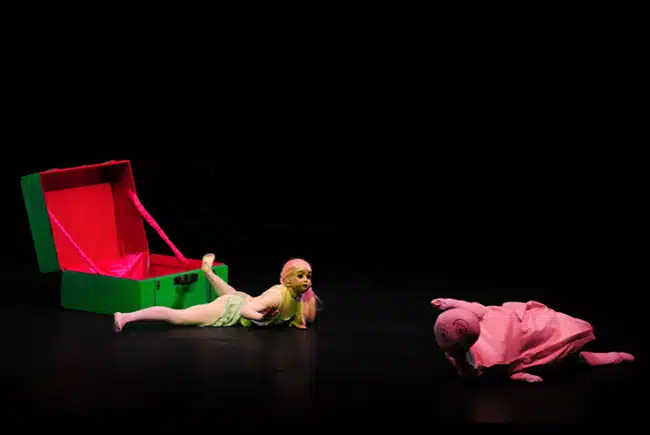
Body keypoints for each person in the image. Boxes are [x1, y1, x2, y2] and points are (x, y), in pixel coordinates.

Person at [431, 297, 634, 383]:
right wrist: (519, 374)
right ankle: (606, 357)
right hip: (522, 344)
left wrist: (449, 303)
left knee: (553, 331)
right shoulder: (478, 359)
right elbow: (473, 371)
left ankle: (601, 356)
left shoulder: (482, 318)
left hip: (523, 326)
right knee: (568, 353)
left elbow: (474, 309)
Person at [113, 254, 321, 332]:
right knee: (178, 317)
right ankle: (125, 317)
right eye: (300, 276)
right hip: (230, 309)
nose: (306, 281)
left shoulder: (300, 299)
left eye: (308, 276)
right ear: (286, 280)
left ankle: (207, 272)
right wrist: (260, 317)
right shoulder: (277, 295)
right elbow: (245, 310)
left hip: (241, 299)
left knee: (233, 294)